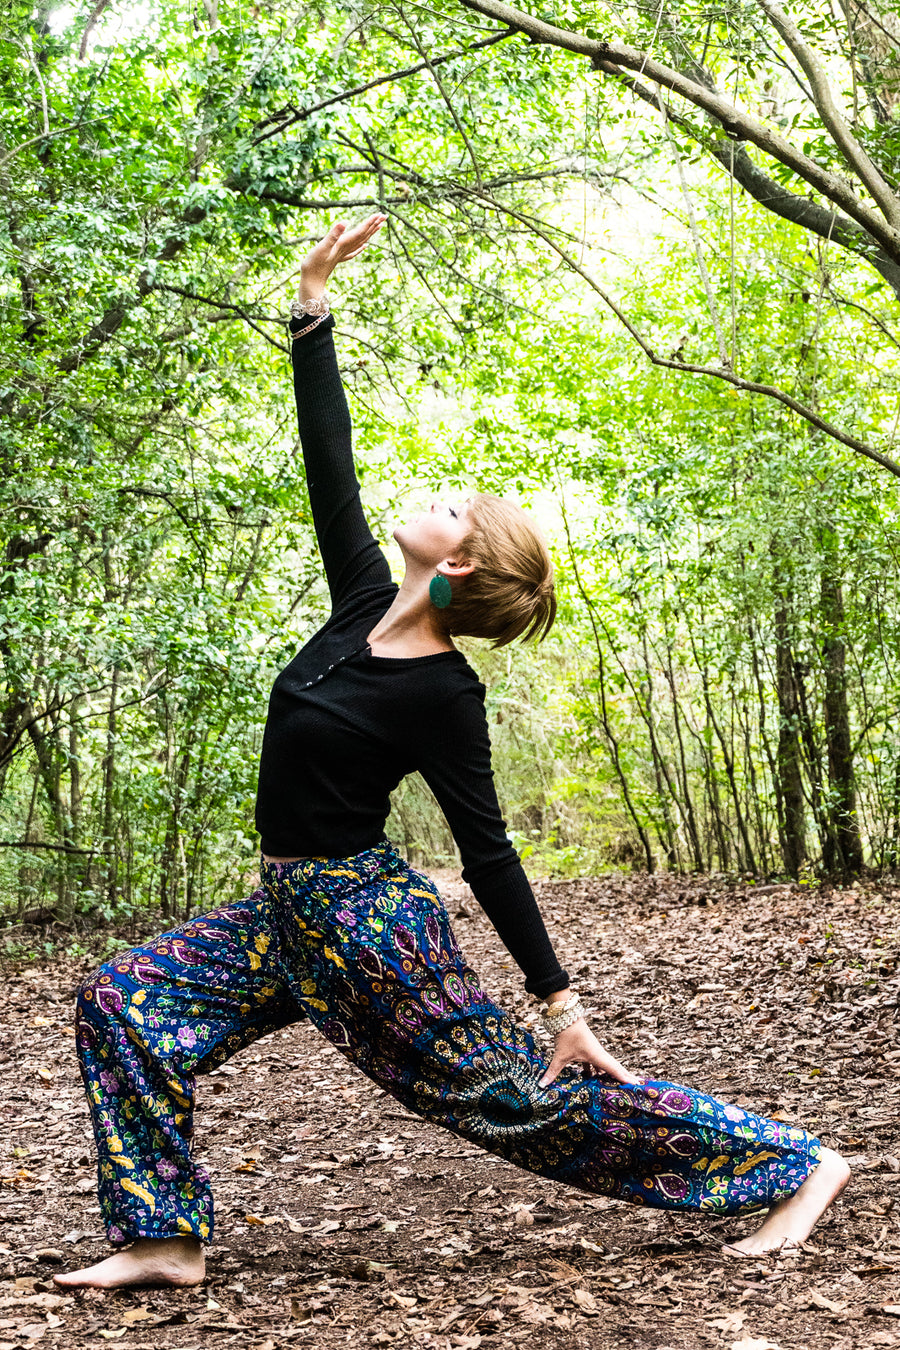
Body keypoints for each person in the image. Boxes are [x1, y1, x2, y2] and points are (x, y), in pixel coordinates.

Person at [56, 215, 848, 1290]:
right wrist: (311, 301)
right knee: (122, 999)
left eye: (454, 506)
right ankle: (162, 1239)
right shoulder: (361, 605)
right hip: (283, 915)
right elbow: (325, 459)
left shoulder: (442, 691)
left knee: (519, 1100)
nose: (434, 496)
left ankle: (798, 1165)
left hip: (365, 929)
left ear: (463, 560)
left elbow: (488, 852)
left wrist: (560, 1003)